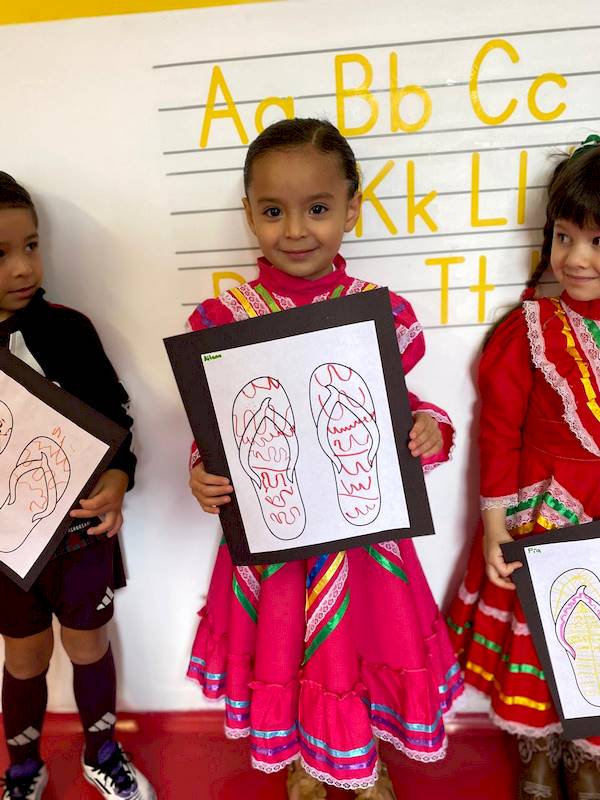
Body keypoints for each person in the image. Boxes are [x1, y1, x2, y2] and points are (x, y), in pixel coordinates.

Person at [186, 118, 462, 800]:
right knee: (284, 646)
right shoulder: (224, 320)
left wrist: (428, 428)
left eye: (317, 208)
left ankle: (364, 761)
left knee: (362, 645)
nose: (295, 230)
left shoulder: (376, 312)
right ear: (248, 213)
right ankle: (305, 761)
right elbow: (216, 426)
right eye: (272, 211)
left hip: (364, 540)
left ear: (351, 208)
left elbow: (399, 405)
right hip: (275, 543)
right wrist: (204, 471)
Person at [446, 135, 600, 800]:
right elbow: (499, 432)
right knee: (543, 637)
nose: (576, 258)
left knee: (592, 642)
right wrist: (495, 524)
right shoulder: (530, 329)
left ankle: (585, 752)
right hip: (544, 516)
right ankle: (537, 745)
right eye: (564, 237)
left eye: (597, 242)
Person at [0, 172, 155, 800]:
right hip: (8, 550)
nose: (22, 267)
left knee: (89, 644)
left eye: (31, 246)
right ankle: (22, 768)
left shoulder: (69, 330)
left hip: (81, 531)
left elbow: (116, 422)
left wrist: (119, 476)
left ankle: (103, 753)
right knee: (24, 656)